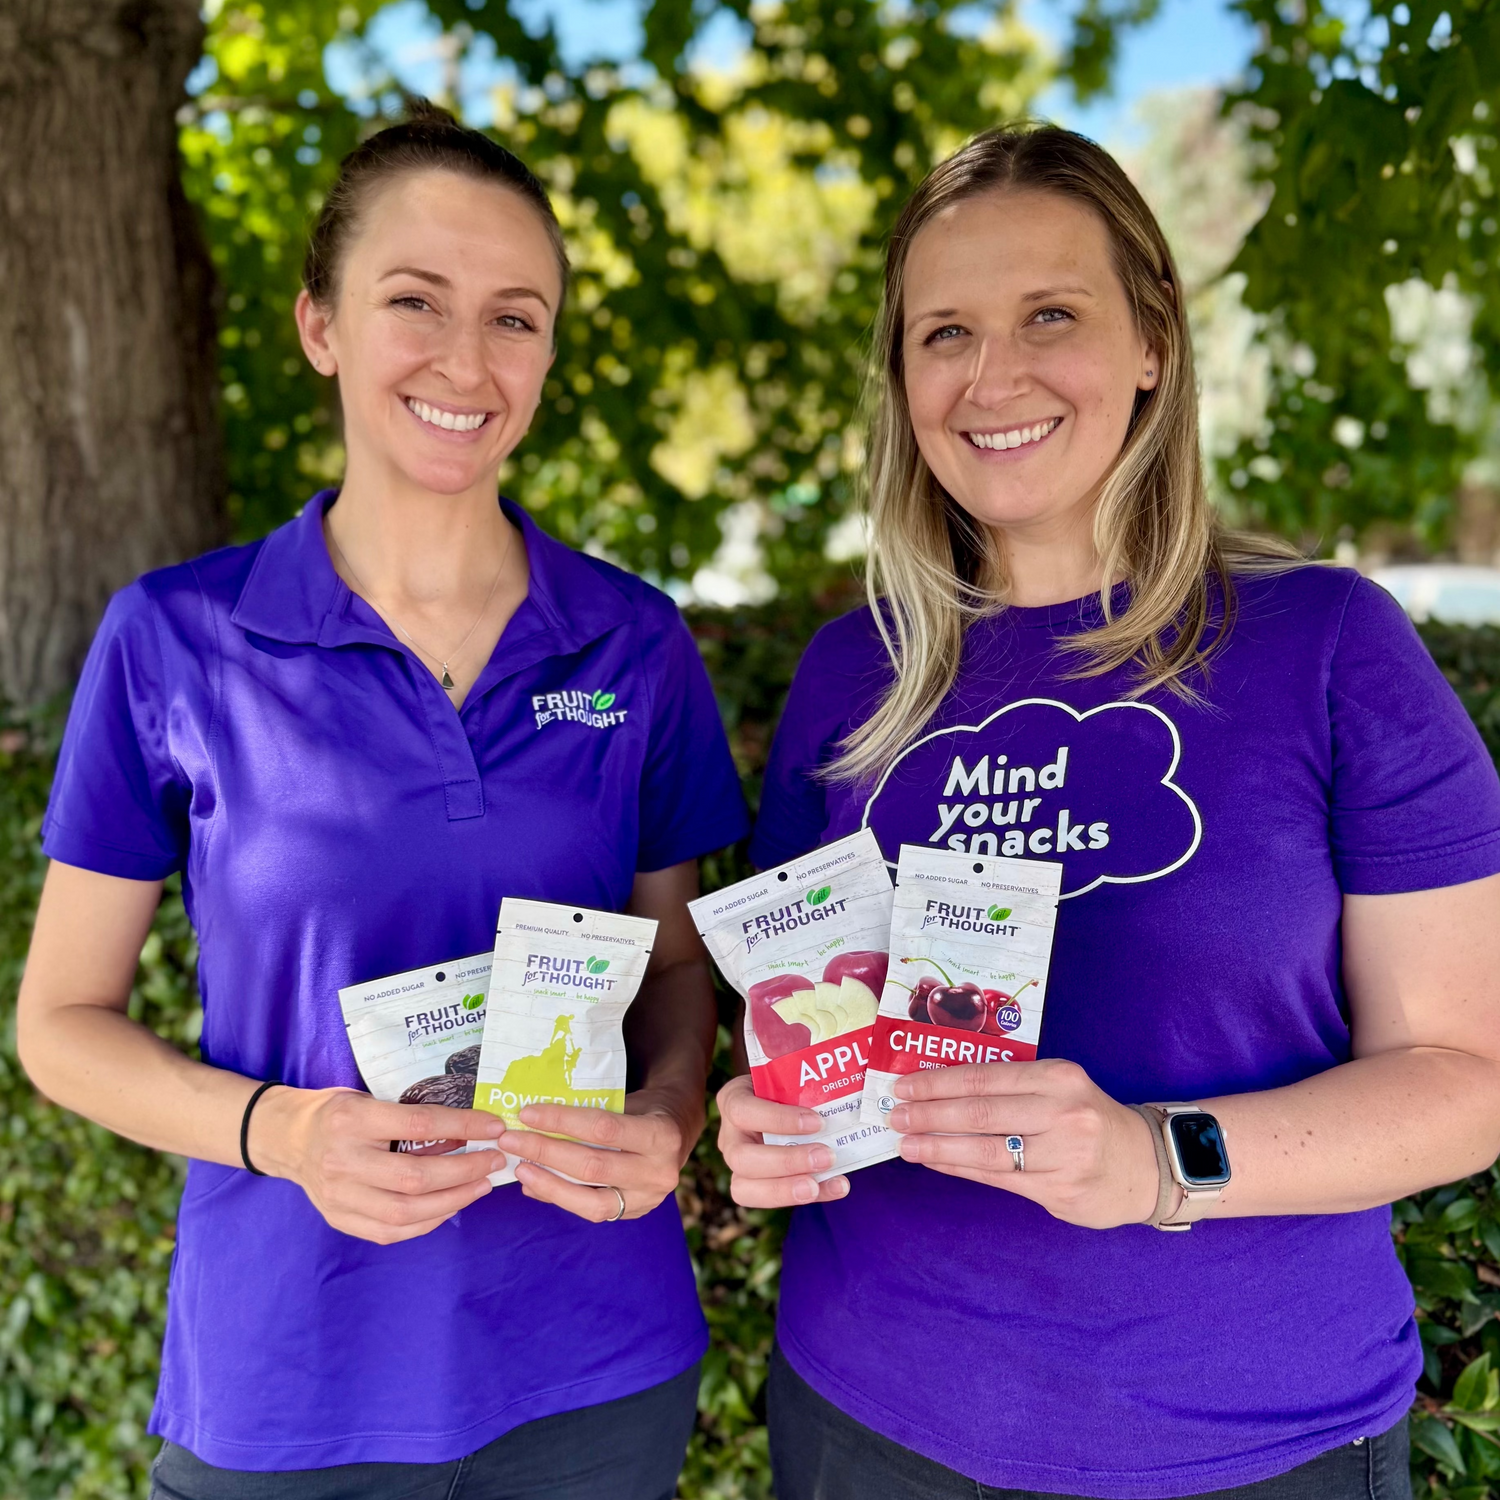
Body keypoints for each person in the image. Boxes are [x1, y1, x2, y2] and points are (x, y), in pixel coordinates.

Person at [718, 124, 1500, 1500]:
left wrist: (1155, 1158)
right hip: (866, 1416)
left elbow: (1465, 1082)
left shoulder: (1328, 646)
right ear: (902, 380)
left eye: (1051, 316)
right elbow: (808, 1005)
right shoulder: (858, 668)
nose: (991, 375)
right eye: (943, 332)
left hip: (1250, 1445)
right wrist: (768, 1111)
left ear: (1152, 343)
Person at [17, 103, 747, 1500]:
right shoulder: (174, 639)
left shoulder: (634, 642)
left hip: (595, 1370)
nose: (467, 360)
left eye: (515, 317)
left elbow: (670, 964)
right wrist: (281, 1132)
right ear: (321, 326)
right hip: (290, 1382)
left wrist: (666, 1106)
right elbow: (59, 1027)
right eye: (414, 301)